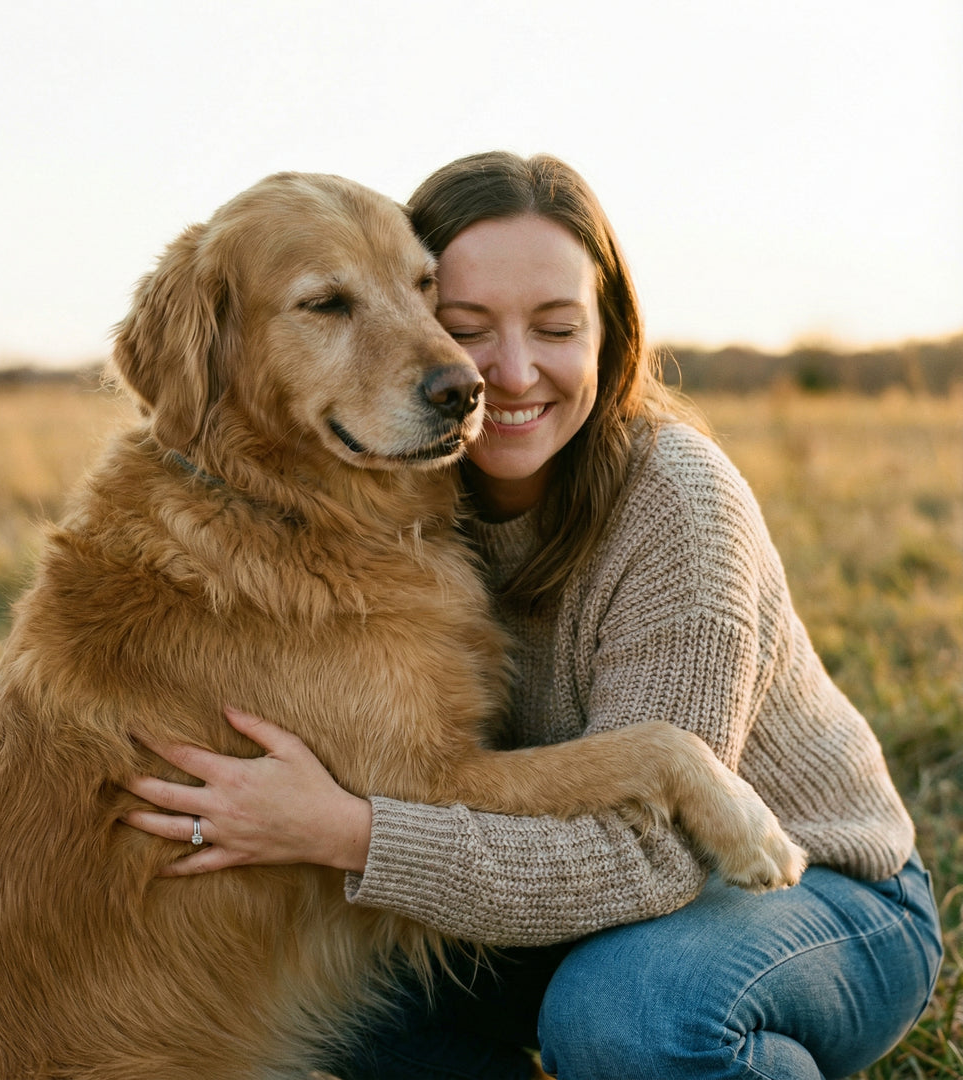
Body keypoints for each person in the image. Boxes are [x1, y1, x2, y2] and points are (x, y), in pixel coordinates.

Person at [123, 151, 943, 1079]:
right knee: (342, 985)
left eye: (556, 328)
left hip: (813, 889)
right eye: (464, 326)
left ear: (609, 335)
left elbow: (651, 861)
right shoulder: (399, 484)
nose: (506, 376)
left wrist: (347, 833)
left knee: (625, 1014)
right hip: (563, 882)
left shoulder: (678, 503)